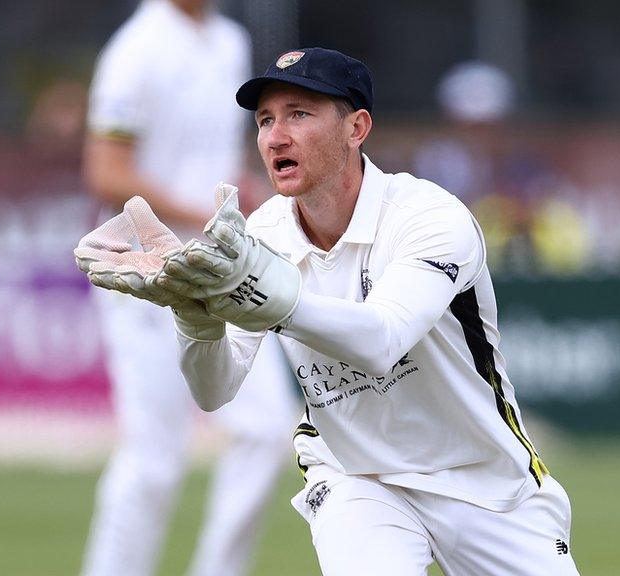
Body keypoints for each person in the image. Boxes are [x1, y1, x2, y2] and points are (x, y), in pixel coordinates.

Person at [76, 47, 581, 576]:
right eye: (265, 119)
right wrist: (195, 320)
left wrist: (267, 295)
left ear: (356, 128)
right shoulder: (262, 234)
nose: (275, 136)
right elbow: (213, 390)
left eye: (299, 114)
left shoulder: (430, 217)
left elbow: (382, 341)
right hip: (355, 479)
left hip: (487, 479)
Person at [79, 2, 297, 575]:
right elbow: (107, 171)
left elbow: (214, 153)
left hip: (219, 264)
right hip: (144, 270)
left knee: (266, 428)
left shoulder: (228, 40)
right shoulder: (137, 48)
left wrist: (239, 199)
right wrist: (204, 213)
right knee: (154, 459)